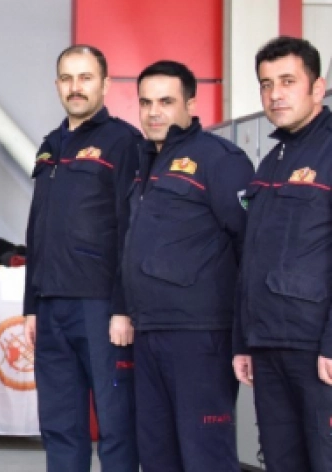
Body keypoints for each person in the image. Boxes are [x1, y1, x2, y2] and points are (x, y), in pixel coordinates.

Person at [121, 60, 253, 472]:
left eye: (165, 102)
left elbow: (249, 245)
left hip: (200, 336)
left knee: (204, 455)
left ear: (191, 104)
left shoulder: (220, 159)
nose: (153, 112)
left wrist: (243, 336)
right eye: (146, 102)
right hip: (149, 331)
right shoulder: (145, 161)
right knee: (157, 456)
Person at [23, 45, 142, 472]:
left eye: (85, 77)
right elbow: (37, 228)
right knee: (59, 424)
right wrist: (31, 306)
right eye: (67, 78)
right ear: (57, 85)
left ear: (105, 84)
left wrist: (124, 307)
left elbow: (132, 228)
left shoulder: (123, 142)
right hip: (50, 305)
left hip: (100, 306)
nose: (76, 87)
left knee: (115, 422)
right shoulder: (50, 145)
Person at [233, 36, 332, 471]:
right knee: (281, 462)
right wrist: (243, 341)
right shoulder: (271, 161)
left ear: (318, 87)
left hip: (317, 351)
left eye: (288, 81)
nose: (275, 94)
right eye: (266, 83)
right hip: (269, 345)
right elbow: (251, 258)